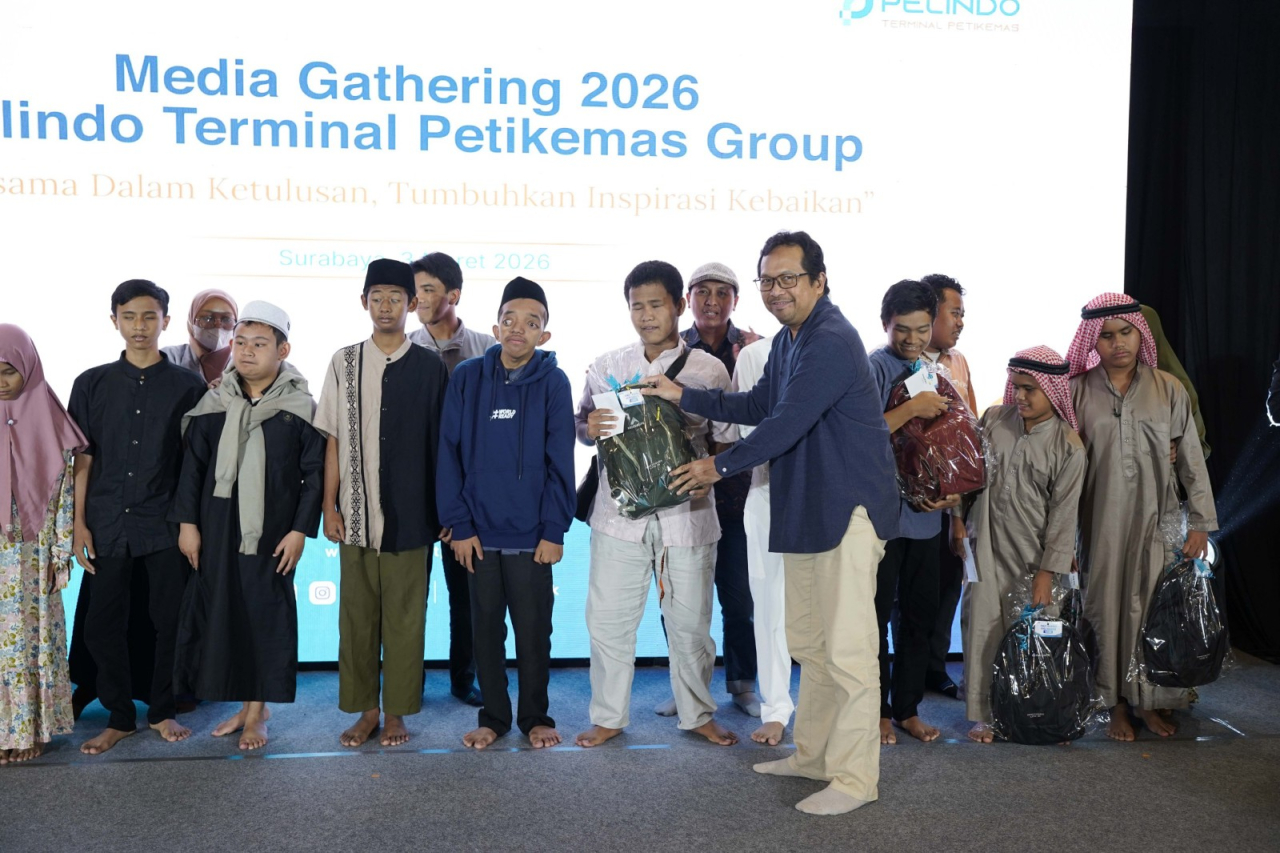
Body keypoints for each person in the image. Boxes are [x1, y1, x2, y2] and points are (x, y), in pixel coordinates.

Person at [646, 231, 901, 816]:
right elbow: (758, 404)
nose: (776, 289)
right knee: (809, 642)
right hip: (806, 511)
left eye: (788, 278)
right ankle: (814, 755)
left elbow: (784, 424)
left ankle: (857, 778)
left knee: (849, 652)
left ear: (819, 281)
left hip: (847, 512)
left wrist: (717, 466)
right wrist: (681, 393)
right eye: (767, 280)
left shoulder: (831, 339)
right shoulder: (790, 339)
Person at [573, 260, 739, 750]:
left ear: (679, 306)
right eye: (636, 306)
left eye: (655, 305)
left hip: (688, 516)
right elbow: (581, 426)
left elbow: (726, 438)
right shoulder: (606, 365)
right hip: (618, 515)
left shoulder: (709, 369)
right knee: (608, 620)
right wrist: (589, 428)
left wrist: (711, 472)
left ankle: (698, 714)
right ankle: (608, 717)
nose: (646, 315)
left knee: (691, 625)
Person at [171, 302, 323, 751]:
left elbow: (313, 475)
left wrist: (300, 530)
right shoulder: (214, 402)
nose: (247, 351)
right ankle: (244, 705)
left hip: (273, 532)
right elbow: (192, 470)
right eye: (240, 342)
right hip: (216, 527)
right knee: (225, 614)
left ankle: (258, 713)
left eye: (260, 344)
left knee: (264, 616)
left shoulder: (299, 407)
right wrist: (187, 525)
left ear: (283, 350)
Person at [1068, 293, 1217, 741]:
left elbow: (1191, 460)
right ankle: (1114, 704)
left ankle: (1150, 702)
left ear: (1141, 335)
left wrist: (1200, 523)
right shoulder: (1076, 391)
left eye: (1126, 332)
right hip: (1098, 523)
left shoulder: (1168, 388)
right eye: (1106, 336)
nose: (1118, 343)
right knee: (1104, 609)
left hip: (1159, 520)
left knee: (1154, 609)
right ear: (1092, 341)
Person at [69, 280, 207, 755]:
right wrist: (78, 523)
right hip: (106, 519)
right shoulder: (91, 383)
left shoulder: (188, 386)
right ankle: (120, 717)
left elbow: (193, 464)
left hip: (164, 521)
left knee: (169, 620)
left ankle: (163, 710)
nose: (139, 326)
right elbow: (82, 458)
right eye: (129, 317)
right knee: (101, 623)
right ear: (115, 321)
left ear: (165, 320)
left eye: (149, 316)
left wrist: (189, 523)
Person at [315, 259, 449, 748]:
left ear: (412, 304)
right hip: (354, 514)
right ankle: (366, 711)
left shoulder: (430, 366)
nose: (386, 306)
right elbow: (332, 438)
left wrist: (445, 511)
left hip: (412, 517)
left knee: (406, 619)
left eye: (396, 297)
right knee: (356, 618)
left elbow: (442, 447)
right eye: (377, 297)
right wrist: (329, 505)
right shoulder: (343, 361)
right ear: (364, 302)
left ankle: (397, 714)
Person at [437, 277, 574, 750]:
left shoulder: (553, 382)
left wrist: (554, 530)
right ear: (496, 328)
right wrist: (459, 523)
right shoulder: (467, 377)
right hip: (476, 534)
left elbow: (561, 462)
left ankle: (535, 716)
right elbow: (448, 453)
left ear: (544, 335)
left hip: (532, 536)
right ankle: (493, 717)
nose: (519, 328)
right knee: (485, 632)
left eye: (531, 323)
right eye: (510, 319)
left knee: (534, 633)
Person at [961, 347, 1086, 743]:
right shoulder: (994, 420)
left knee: (1034, 635)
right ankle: (985, 714)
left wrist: (1048, 572)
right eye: (1015, 386)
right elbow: (967, 477)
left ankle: (1035, 712)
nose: (1020, 396)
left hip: (1033, 556)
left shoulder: (1068, 445)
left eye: (1030, 389)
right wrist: (956, 524)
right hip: (985, 544)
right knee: (981, 628)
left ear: (1053, 390)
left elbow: (1064, 515)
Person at [653, 262, 761, 718]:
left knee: (739, 598)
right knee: (679, 601)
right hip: (684, 496)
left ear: (736, 300)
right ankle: (686, 686)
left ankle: (742, 684)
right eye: (703, 292)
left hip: (738, 493)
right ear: (688, 300)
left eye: (722, 293)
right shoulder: (671, 348)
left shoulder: (754, 349)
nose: (712, 301)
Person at [866, 280, 955, 745]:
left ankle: (907, 709)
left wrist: (952, 492)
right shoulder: (871, 368)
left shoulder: (932, 370)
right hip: (880, 517)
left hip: (925, 514)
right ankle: (877, 711)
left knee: (920, 616)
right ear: (886, 323)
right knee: (875, 616)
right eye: (903, 329)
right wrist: (913, 407)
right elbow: (862, 434)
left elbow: (946, 441)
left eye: (922, 329)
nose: (913, 339)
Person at [0, 325, 87, 764]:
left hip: (31, 557)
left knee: (28, 641)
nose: (1, 381)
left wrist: (60, 553)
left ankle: (28, 730)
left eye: (9, 371)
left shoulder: (50, 418)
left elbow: (64, 493)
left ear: (29, 368)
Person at [409, 252, 491, 707]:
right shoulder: (402, 348)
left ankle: (464, 677)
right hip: (415, 493)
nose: (417, 298)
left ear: (453, 295)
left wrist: (458, 504)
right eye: (414, 290)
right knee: (409, 596)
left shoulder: (487, 348)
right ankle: (408, 680)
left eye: (427, 289)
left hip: (468, 495)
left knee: (467, 597)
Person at [732, 335, 797, 747]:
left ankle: (831, 709)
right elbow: (751, 435)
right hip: (769, 493)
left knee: (829, 611)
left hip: (826, 498)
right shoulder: (756, 355)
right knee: (771, 607)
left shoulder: (839, 348)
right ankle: (776, 707)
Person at [918, 274, 978, 700]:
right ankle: (906, 669)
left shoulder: (959, 362)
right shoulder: (901, 360)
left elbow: (970, 428)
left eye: (962, 314)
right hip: (915, 497)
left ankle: (935, 668)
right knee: (910, 591)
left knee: (947, 584)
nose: (960, 322)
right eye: (954, 313)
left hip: (955, 496)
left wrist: (961, 509)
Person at [162, 289, 239, 387]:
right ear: (191, 322)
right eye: (207, 318)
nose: (218, 325)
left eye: (227, 319)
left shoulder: (241, 366)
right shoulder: (169, 357)